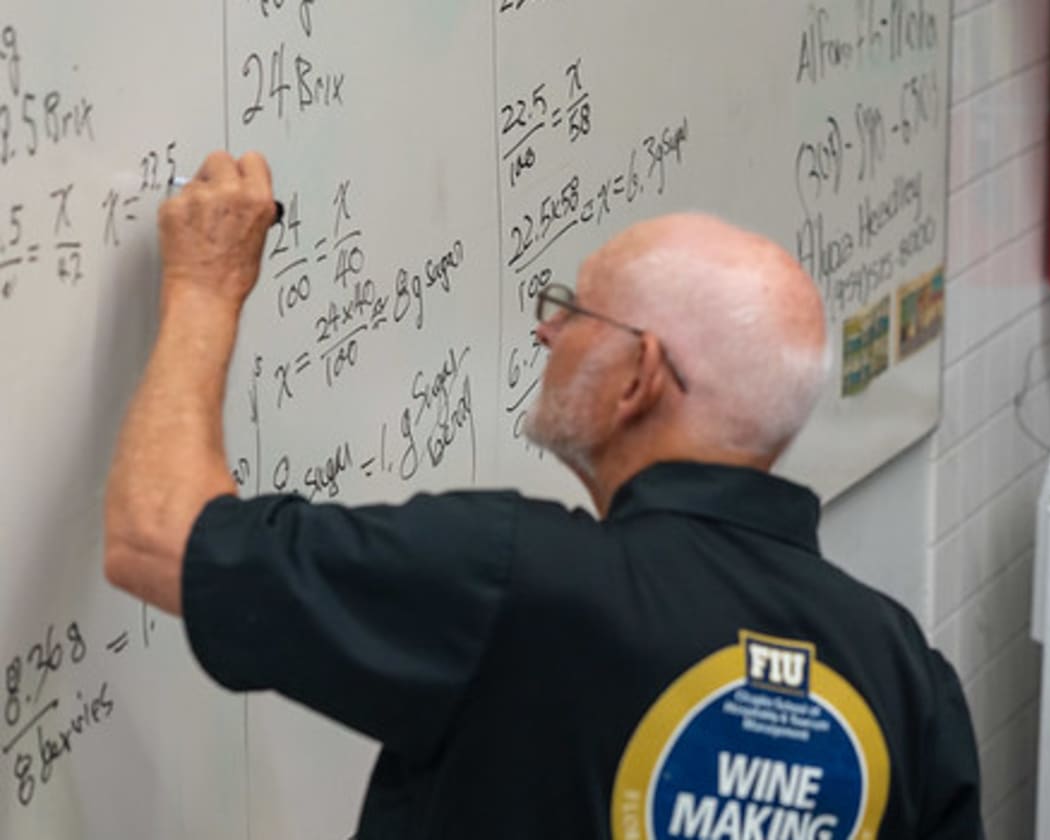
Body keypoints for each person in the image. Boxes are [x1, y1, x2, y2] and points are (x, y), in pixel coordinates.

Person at [102, 151, 983, 839]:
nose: (545, 328)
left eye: (574, 310)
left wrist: (203, 286)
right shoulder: (903, 673)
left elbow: (157, 536)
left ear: (639, 375)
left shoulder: (516, 582)